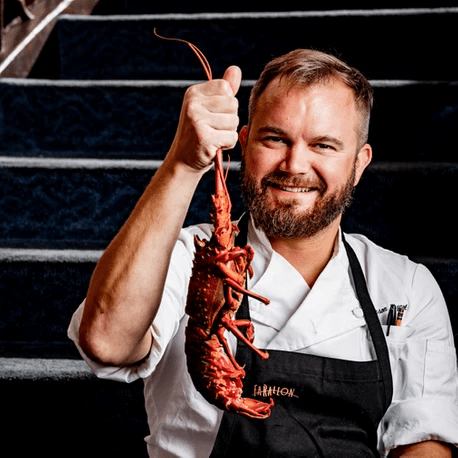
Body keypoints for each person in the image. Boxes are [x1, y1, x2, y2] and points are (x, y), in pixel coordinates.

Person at [68, 49, 458, 457]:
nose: (294, 165)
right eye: (275, 138)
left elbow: (422, 440)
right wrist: (184, 163)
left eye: (323, 145)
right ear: (244, 142)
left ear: (359, 164)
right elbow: (106, 343)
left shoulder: (406, 286)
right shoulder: (184, 256)